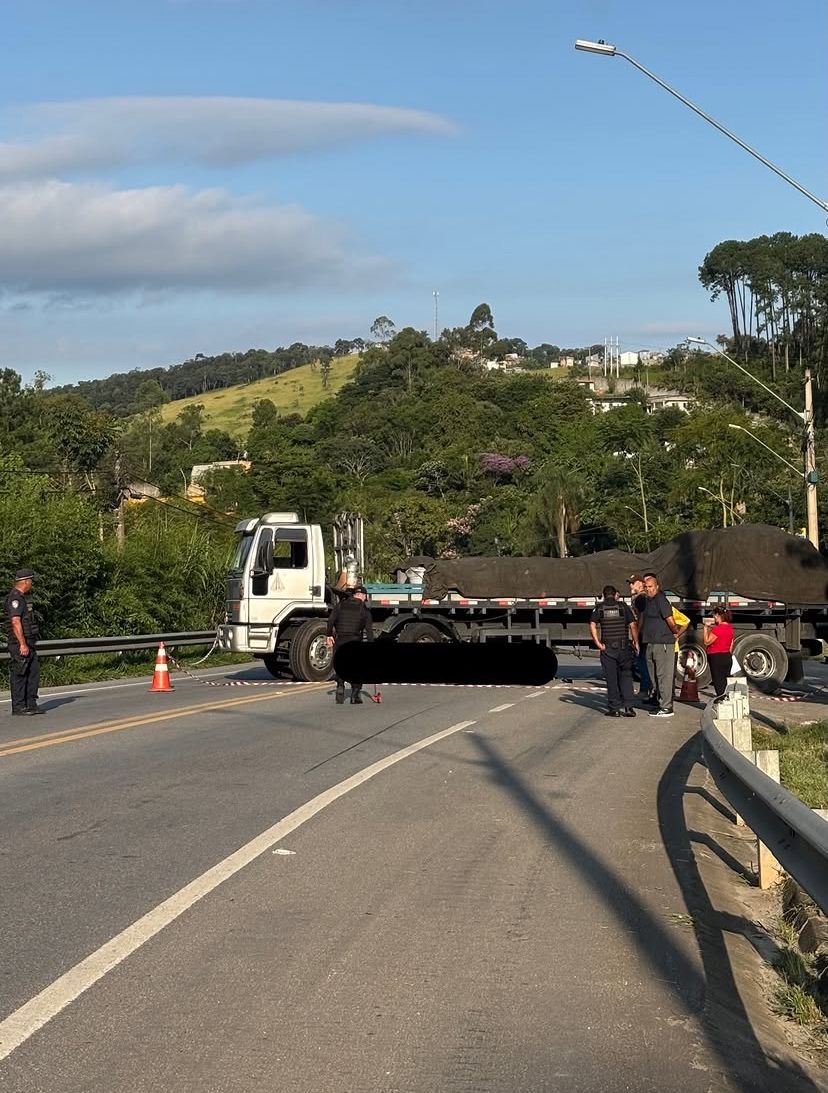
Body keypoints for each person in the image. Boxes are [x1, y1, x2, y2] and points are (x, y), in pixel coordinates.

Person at [590, 585, 639, 718]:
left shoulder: (599, 608)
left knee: (611, 679)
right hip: (624, 648)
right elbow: (633, 625)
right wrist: (636, 642)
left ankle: (615, 708)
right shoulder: (623, 606)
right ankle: (629, 708)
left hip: (608, 649)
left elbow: (592, 624)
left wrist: (598, 643)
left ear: (603, 595)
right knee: (626, 676)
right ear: (615, 594)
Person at [640, 573, 679, 718]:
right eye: (646, 587)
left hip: (663, 643)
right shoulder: (648, 601)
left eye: (651, 586)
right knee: (654, 675)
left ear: (657, 587)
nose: (648, 589)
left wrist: (675, 632)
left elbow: (670, 619)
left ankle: (667, 707)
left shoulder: (661, 600)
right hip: (651, 642)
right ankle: (659, 701)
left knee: (663, 676)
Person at [4, 569, 43, 716]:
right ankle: (19, 706)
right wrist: (22, 644)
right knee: (20, 673)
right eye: (30, 581)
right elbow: (15, 622)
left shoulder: (22, 598)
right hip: (19, 643)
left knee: (33, 673)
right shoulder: (15, 599)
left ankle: (30, 704)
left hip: (29, 642)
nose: (31, 584)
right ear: (25, 582)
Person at [326, 585, 374, 704]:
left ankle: (340, 685)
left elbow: (331, 620)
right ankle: (355, 695)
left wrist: (329, 635)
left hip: (340, 640)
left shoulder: (341, 605)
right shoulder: (364, 610)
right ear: (363, 596)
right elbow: (369, 631)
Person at [627, 575, 652, 700]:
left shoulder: (641, 598)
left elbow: (641, 617)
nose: (630, 586)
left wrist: (637, 635)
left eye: (633, 583)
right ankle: (648, 689)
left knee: (643, 662)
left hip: (643, 634)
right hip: (647, 633)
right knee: (645, 662)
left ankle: (645, 690)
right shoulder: (644, 597)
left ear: (640, 583)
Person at [703, 606, 735, 701]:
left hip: (716, 657)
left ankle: (722, 700)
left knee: (718, 681)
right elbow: (731, 644)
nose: (714, 617)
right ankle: (726, 699)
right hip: (727, 656)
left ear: (718, 615)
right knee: (725, 681)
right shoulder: (730, 628)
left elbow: (707, 641)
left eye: (714, 615)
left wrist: (705, 628)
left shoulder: (718, 629)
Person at [671, 605, 691, 699]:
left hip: (671, 647)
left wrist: (677, 635)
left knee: (669, 673)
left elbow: (686, 621)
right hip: (668, 647)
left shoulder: (670, 609)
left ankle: (670, 694)